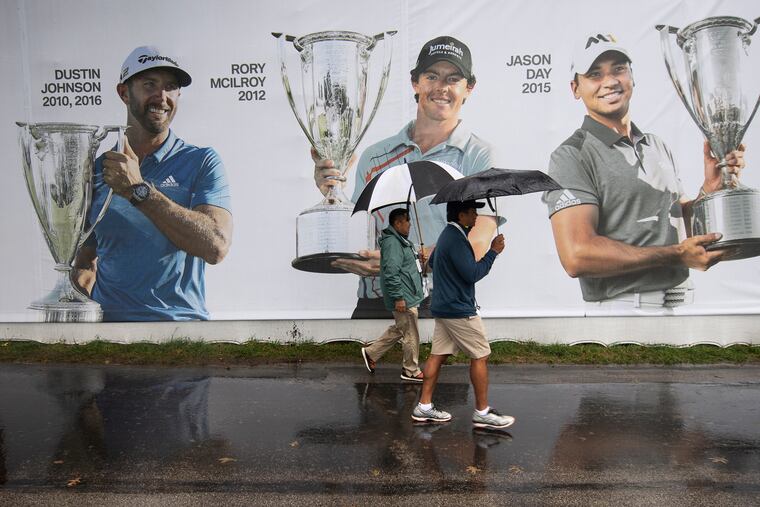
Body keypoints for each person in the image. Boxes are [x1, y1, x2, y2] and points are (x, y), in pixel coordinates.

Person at [542, 33, 745, 312]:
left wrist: (709, 189)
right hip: (621, 310)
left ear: (632, 77)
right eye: (594, 74)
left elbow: (676, 219)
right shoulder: (571, 155)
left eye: (619, 69)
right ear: (575, 88)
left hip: (677, 306)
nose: (610, 81)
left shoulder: (655, 145)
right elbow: (577, 255)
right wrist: (676, 255)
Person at [314, 36, 499, 319]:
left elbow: (477, 243)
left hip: (441, 304)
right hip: (375, 303)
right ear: (416, 83)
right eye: (432, 76)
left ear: (468, 88)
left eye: (453, 78)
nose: (442, 87)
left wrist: (403, 261)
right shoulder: (374, 156)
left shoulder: (478, 156)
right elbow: (358, 235)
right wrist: (330, 195)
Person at [73, 46, 233, 321]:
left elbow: (215, 246)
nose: (162, 97)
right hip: (108, 333)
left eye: (171, 87)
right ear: (124, 93)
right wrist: (80, 310)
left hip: (181, 330)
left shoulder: (202, 161)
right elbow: (85, 261)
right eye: (150, 85)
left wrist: (138, 190)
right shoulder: (96, 170)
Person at [411, 200, 515, 430]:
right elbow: (472, 274)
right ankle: (482, 412)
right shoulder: (455, 239)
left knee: (438, 355)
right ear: (461, 215)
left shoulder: (447, 235)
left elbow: (433, 263)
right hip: (458, 310)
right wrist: (493, 252)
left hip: (444, 307)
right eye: (472, 212)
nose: (476, 217)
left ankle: (424, 407)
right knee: (481, 355)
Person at [360, 208, 426, 381]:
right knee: (410, 332)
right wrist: (399, 297)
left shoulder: (401, 241)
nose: (410, 224)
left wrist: (419, 257)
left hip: (408, 294)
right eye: (407, 221)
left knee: (402, 327)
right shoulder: (393, 243)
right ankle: (410, 370)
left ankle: (371, 353)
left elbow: (404, 265)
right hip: (404, 296)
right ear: (398, 223)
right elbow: (391, 272)